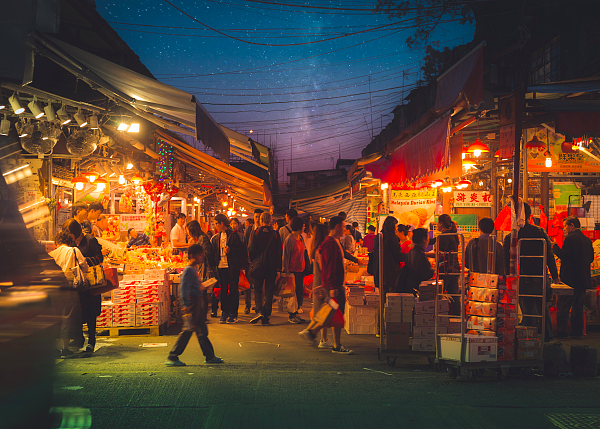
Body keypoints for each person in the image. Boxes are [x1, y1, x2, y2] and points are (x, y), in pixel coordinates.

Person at [503, 203, 558, 341]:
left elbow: (505, 261)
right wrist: (555, 276)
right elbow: (549, 256)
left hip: (521, 276)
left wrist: (507, 278)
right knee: (542, 307)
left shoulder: (511, 236)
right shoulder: (539, 232)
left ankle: (529, 341)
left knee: (527, 308)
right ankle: (547, 337)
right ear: (528, 215)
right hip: (539, 276)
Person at [300, 216, 353, 354]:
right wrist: (331, 287)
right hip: (333, 287)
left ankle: (316, 333)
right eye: (343, 226)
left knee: (332, 312)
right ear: (337, 227)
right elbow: (329, 268)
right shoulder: (330, 244)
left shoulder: (331, 242)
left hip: (332, 286)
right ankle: (317, 334)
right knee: (334, 312)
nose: (345, 229)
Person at [165, 244, 224, 366]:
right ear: (192, 256)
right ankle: (173, 356)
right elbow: (183, 288)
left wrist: (203, 286)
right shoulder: (188, 270)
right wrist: (185, 305)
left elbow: (194, 287)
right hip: (192, 304)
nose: (202, 257)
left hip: (197, 303)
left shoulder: (193, 269)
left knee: (202, 331)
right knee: (188, 330)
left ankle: (210, 356)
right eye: (200, 255)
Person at [63, 218, 103, 353]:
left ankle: (91, 341)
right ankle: (78, 338)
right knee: (78, 312)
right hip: (77, 284)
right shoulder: (70, 243)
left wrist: (84, 261)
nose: (70, 237)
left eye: (71, 233)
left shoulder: (90, 240)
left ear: (76, 231)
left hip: (91, 283)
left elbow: (99, 258)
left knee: (91, 313)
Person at [553, 216, 594, 338]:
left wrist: (554, 247)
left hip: (570, 280)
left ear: (572, 225)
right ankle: (577, 333)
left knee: (563, 306)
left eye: (565, 225)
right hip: (583, 279)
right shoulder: (587, 240)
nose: (564, 228)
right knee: (578, 307)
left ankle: (562, 332)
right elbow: (591, 259)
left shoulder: (570, 239)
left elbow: (564, 256)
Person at [49, 230, 86, 358]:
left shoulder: (51, 254)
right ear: (69, 240)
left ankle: (54, 348)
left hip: (54, 287)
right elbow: (85, 266)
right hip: (69, 285)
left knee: (55, 317)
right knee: (67, 317)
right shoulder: (73, 250)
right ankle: (65, 349)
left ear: (56, 242)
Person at [211, 213, 248, 323]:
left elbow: (242, 250)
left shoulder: (234, 235)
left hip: (232, 266)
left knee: (233, 290)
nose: (215, 226)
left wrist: (230, 250)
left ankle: (233, 313)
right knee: (223, 290)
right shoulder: (217, 237)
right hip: (221, 266)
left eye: (216, 224)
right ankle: (224, 312)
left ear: (222, 223)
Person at [248, 212, 282, 325]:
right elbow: (279, 252)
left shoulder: (256, 232)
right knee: (269, 292)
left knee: (257, 289)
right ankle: (266, 316)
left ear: (261, 220)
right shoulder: (276, 234)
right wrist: (278, 268)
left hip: (259, 266)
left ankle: (259, 310)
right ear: (271, 220)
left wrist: (254, 261)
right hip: (271, 266)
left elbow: (251, 249)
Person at [432, 214, 461, 315]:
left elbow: (441, 253)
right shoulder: (453, 234)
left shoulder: (444, 236)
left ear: (441, 224)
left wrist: (426, 255)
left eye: (437, 223)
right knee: (454, 295)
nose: (436, 225)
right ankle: (457, 318)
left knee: (439, 294)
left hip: (446, 269)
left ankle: (439, 316)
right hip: (455, 267)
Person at [187, 220, 217, 318]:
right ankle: (202, 314)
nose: (187, 232)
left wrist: (198, 255)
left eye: (188, 230)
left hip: (205, 268)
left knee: (203, 291)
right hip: (201, 267)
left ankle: (203, 314)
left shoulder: (203, 238)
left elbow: (208, 253)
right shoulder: (199, 238)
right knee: (202, 291)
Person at [282, 216, 307, 324]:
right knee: (292, 294)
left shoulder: (300, 238)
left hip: (300, 270)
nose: (304, 228)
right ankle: (292, 315)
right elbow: (285, 256)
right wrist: (285, 270)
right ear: (299, 227)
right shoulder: (289, 239)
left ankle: (295, 313)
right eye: (303, 226)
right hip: (291, 270)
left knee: (299, 292)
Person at [371, 216, 405, 293]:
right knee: (391, 298)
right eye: (395, 226)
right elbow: (398, 256)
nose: (396, 229)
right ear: (391, 226)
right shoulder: (392, 238)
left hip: (379, 272)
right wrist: (408, 256)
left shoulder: (378, 237)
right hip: (390, 273)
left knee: (382, 295)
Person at [396, 228, 434, 294]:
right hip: (418, 288)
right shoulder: (421, 254)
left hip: (409, 287)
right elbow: (426, 274)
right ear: (424, 239)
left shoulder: (411, 252)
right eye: (428, 237)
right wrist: (434, 269)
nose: (428, 240)